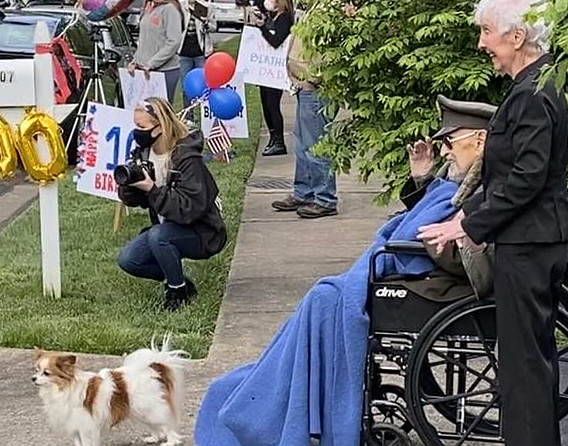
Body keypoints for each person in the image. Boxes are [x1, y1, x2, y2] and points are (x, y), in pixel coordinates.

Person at [194, 96, 494, 445]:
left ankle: (275, 402)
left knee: (324, 298)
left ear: (479, 139)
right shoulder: (469, 181)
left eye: (449, 142)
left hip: (434, 283)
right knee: (323, 296)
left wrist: (429, 238)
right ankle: (274, 389)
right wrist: (422, 178)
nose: (445, 151)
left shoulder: (491, 189)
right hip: (416, 273)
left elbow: (446, 242)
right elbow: (430, 212)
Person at [418, 0, 568, 446]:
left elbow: (524, 180)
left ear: (517, 36)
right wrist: (464, 218)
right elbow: (510, 179)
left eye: (487, 31)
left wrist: (469, 225)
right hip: (534, 237)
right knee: (530, 362)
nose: (482, 42)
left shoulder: (532, 94)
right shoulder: (534, 85)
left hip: (529, 243)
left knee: (524, 369)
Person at [116, 97, 227, 311]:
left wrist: (152, 190)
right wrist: (131, 186)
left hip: (203, 231)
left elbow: (188, 209)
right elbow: (136, 200)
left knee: (159, 236)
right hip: (168, 226)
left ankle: (177, 291)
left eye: (141, 126)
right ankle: (180, 279)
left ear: (159, 127)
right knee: (129, 259)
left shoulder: (186, 158)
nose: (137, 132)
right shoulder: (144, 153)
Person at [271, 0, 337, 218]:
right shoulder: (313, 7)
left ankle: (325, 198)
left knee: (317, 144)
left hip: (316, 88)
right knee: (302, 143)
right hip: (304, 86)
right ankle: (304, 192)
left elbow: (329, 54)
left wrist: (313, 77)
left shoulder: (327, 11)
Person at [238, 0, 294, 157]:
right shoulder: (274, 15)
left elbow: (276, 41)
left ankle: (279, 141)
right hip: (265, 71)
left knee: (273, 105)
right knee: (265, 105)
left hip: (275, 72)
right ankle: (272, 138)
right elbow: (258, 0)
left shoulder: (285, 18)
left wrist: (261, 27)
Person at [128, 0, 184, 103]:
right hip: (144, 70)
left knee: (159, 112)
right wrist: (135, 61)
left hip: (164, 71)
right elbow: (144, 40)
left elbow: (174, 41)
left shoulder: (170, 8)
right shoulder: (148, 7)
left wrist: (152, 64)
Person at [179, 0, 216, 108]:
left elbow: (213, 26)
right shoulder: (180, 5)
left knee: (202, 85)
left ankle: (203, 113)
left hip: (200, 51)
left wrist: (206, 24)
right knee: (185, 86)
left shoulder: (206, 7)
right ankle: (188, 115)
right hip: (183, 52)